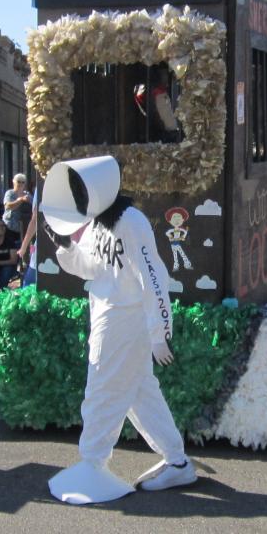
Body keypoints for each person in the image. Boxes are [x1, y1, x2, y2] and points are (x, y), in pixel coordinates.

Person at [38, 155, 198, 504]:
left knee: (102, 388)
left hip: (125, 321)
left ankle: (93, 462)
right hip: (109, 316)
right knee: (140, 395)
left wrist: (160, 332)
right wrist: (66, 246)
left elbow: (153, 275)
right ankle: (177, 461)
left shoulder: (132, 222)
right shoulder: (98, 225)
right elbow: (91, 268)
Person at [2, 173, 32, 239]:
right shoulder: (10, 193)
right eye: (18, 181)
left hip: (24, 226)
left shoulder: (27, 194)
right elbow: (8, 206)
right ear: (14, 182)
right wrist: (20, 200)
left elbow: (34, 207)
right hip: (10, 225)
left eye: (23, 182)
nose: (20, 184)